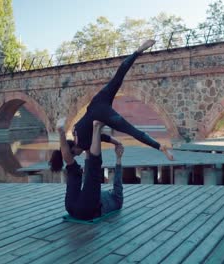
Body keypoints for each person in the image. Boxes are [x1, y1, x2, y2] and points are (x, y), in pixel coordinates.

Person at [50, 39, 174, 172]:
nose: (78, 155)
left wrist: (113, 145)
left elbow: (99, 142)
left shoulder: (83, 144)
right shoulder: (74, 131)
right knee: (118, 77)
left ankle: (160, 147)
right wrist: (117, 143)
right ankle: (138, 51)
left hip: (102, 114)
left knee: (132, 131)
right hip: (97, 102)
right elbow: (104, 137)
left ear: (73, 150)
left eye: (75, 154)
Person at [50, 120, 123, 220]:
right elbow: (117, 184)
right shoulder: (117, 200)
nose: (78, 154)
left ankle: (63, 133)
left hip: (81, 208)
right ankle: (93, 129)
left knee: (82, 170)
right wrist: (118, 156)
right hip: (76, 208)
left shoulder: (115, 200)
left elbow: (116, 184)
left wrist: (118, 153)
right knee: (81, 171)